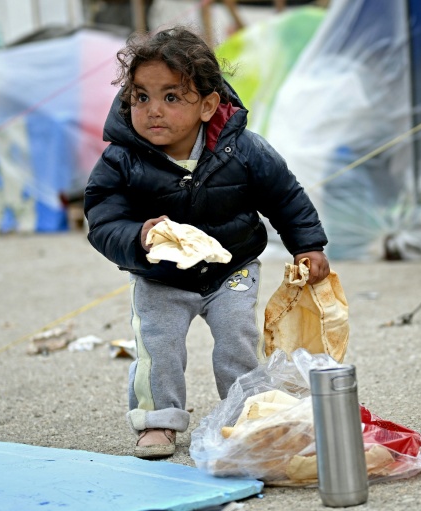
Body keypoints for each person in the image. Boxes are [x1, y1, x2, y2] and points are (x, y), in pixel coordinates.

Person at [84, 27, 330, 459]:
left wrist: (307, 245)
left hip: (231, 267)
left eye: (171, 97)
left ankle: (245, 413)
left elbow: (285, 196)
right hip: (159, 274)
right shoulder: (122, 158)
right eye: (141, 97)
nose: (153, 111)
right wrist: (139, 237)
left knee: (237, 335)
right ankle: (157, 420)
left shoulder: (243, 150)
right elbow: (103, 218)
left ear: (208, 105)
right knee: (156, 345)